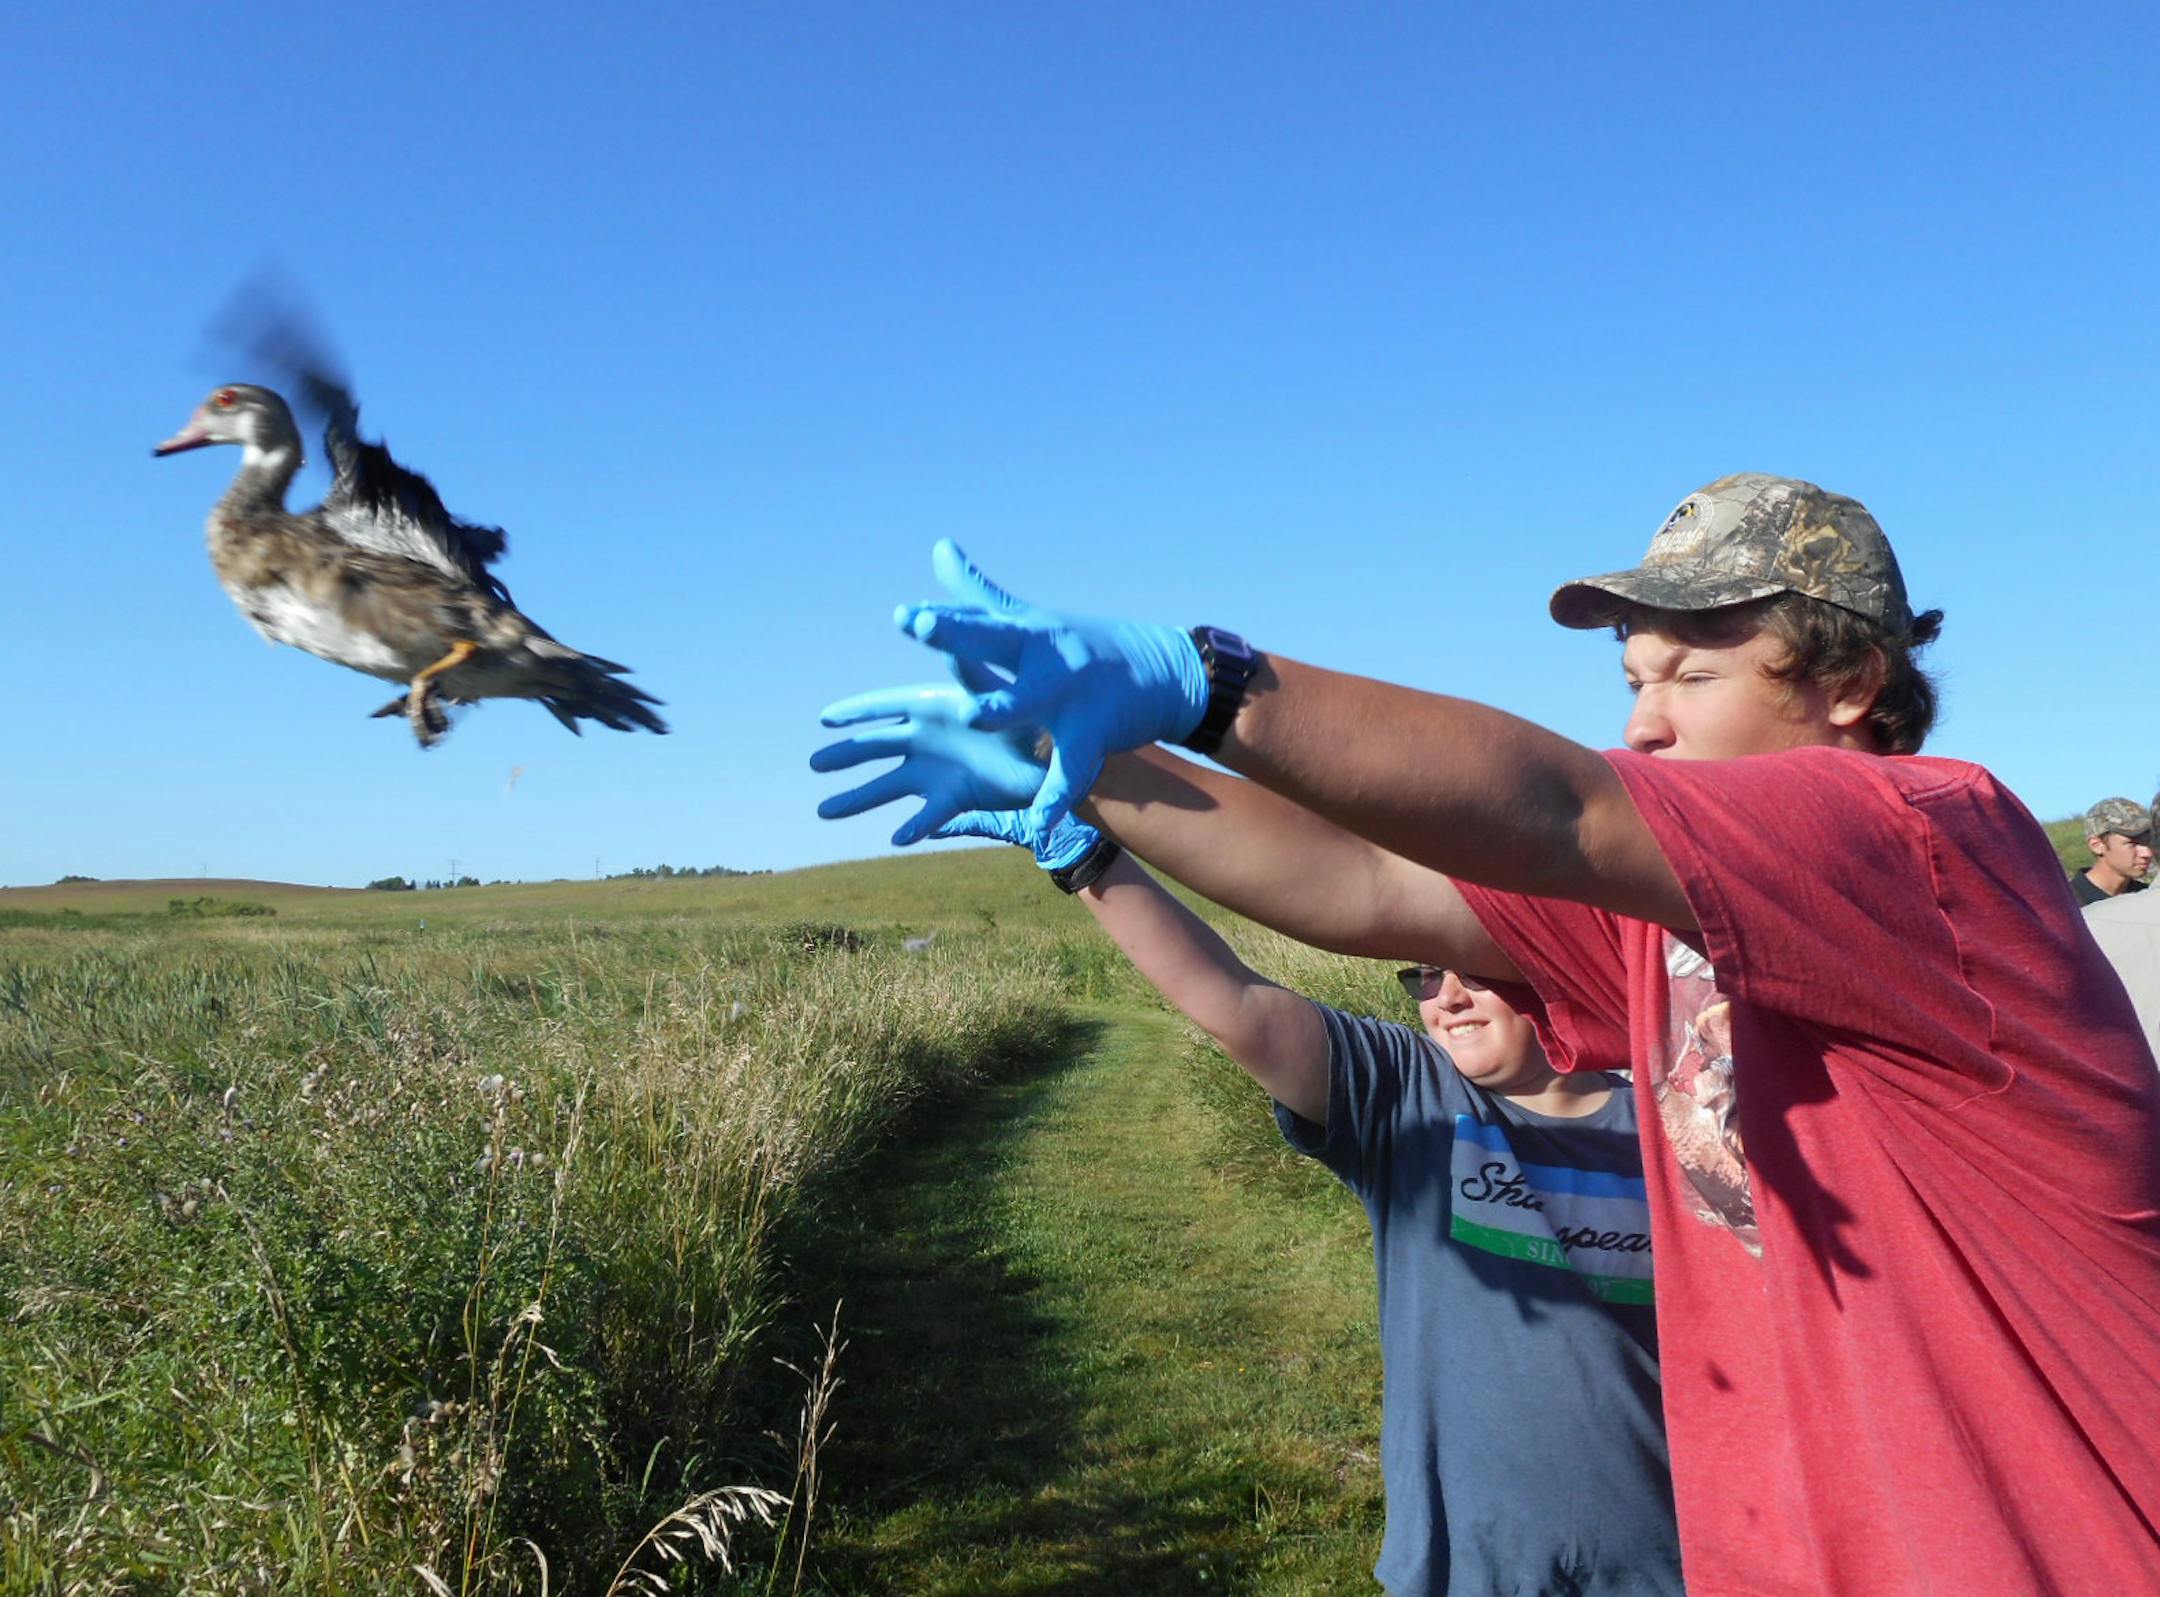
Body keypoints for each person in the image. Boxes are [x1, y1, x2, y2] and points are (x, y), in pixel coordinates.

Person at [819, 473, 2160, 1597]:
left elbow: (1563, 810)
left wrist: (1210, 682)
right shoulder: (1668, 935)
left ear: (1856, 679)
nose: (1643, 718)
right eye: (1635, 676)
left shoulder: (1931, 847)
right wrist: (1094, 783)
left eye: (1690, 671)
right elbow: (1373, 889)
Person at [815, 706, 1685, 1593]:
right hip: (1470, 1566)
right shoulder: (1408, 1095)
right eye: (1426, 974)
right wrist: (1088, 858)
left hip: (1668, 1561)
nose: (1448, 998)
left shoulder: (1682, 1127)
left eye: (1475, 971)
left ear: (1562, 964)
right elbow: (1234, 1002)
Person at [2069, 796, 2154, 906]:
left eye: (2148, 842)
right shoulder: (2065, 904)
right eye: (2132, 843)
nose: (2147, 853)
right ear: (2097, 845)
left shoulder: (2148, 900)